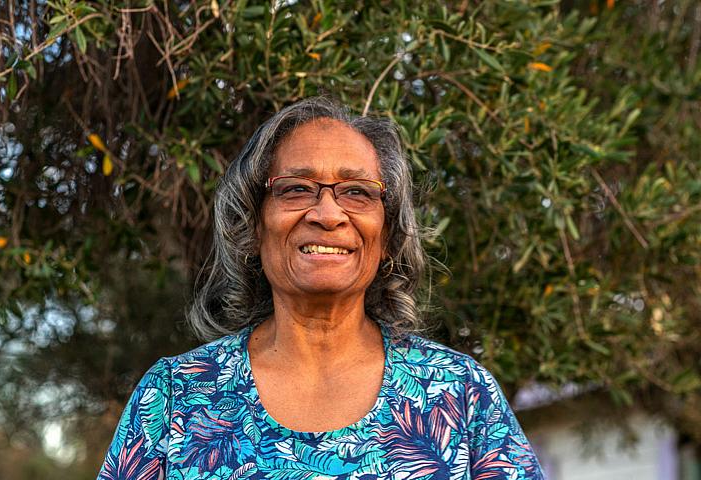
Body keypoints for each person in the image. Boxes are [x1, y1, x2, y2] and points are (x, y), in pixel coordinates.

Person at [97, 97, 545, 479]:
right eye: (296, 189)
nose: (328, 214)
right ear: (252, 227)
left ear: (388, 235)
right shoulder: (176, 396)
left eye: (357, 192)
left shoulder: (459, 394)